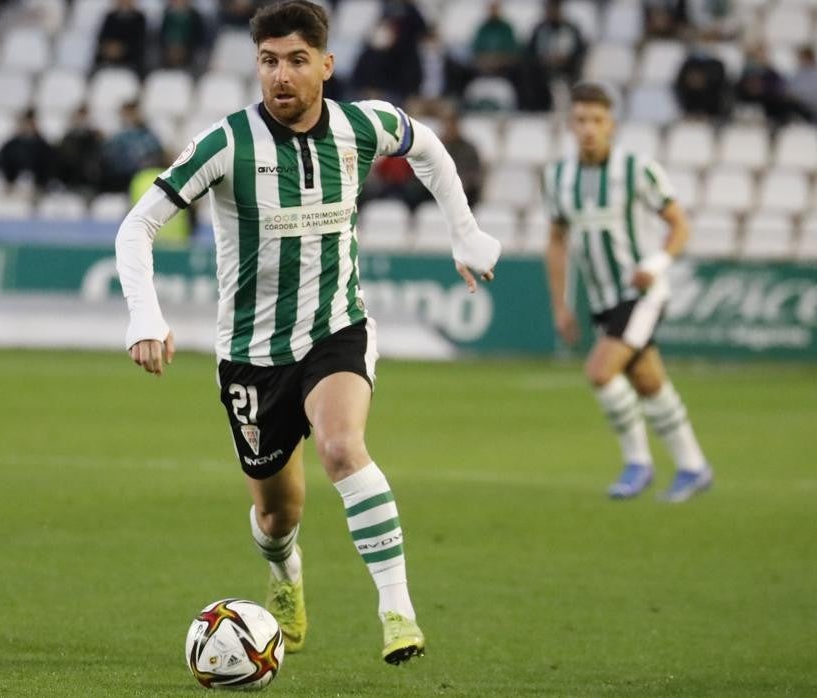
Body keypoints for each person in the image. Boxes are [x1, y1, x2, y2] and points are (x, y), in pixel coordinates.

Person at [115, 0, 500, 664]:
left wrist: (464, 233)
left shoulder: (362, 125)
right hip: (251, 355)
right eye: (268, 62)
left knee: (343, 449)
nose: (281, 76)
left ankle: (397, 612)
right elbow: (137, 225)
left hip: (336, 328)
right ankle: (285, 570)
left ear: (325, 64)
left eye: (296, 61)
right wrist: (145, 314)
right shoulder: (227, 142)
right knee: (277, 514)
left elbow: (429, 146)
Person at [542, 82, 713, 503]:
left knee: (600, 372)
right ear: (570, 125)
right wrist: (561, 305)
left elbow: (680, 225)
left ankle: (638, 462)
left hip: (642, 294)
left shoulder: (638, 169)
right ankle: (693, 466)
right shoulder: (559, 177)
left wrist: (654, 265)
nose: (588, 129)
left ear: (611, 125)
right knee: (648, 380)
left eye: (597, 120)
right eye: (581, 120)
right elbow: (557, 242)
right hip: (602, 299)